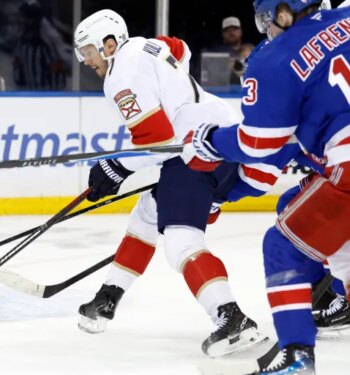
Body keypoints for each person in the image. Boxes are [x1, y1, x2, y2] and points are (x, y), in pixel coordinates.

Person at [71, 9, 285, 357]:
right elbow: (180, 49)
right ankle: (108, 297)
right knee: (148, 214)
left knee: (181, 241)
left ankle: (230, 317)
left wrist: (115, 169)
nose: (85, 60)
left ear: (109, 44)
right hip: (224, 141)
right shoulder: (148, 46)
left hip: (196, 152)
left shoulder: (119, 74)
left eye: (88, 51)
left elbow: (159, 140)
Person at [181, 0, 349, 372]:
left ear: (284, 13)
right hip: (339, 163)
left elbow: (259, 143)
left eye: (266, 19)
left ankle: (297, 356)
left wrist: (210, 141)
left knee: (282, 244)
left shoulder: (275, 58)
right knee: (298, 202)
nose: (266, 28)